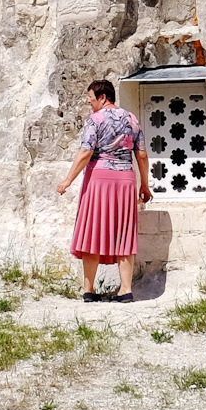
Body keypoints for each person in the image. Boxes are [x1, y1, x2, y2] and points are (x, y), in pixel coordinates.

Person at [56, 77, 151, 301]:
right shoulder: (132, 119)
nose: (89, 103)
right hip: (126, 179)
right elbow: (142, 155)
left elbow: (86, 152)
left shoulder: (95, 120)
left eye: (91, 99)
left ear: (103, 97)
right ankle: (126, 290)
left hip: (99, 179)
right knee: (124, 232)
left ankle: (89, 290)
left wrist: (68, 180)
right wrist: (144, 185)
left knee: (92, 229)